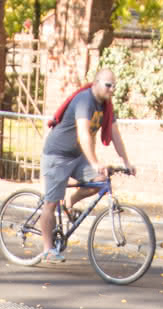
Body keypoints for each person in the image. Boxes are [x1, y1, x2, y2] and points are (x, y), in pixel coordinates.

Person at [38, 68, 134, 262]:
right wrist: (95, 162)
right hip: (57, 155)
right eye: (108, 85)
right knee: (51, 202)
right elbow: (83, 134)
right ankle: (48, 250)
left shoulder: (106, 106)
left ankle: (70, 202)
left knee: (100, 181)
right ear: (96, 82)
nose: (112, 89)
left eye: (114, 85)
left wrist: (126, 161)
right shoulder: (84, 100)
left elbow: (115, 134)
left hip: (76, 156)